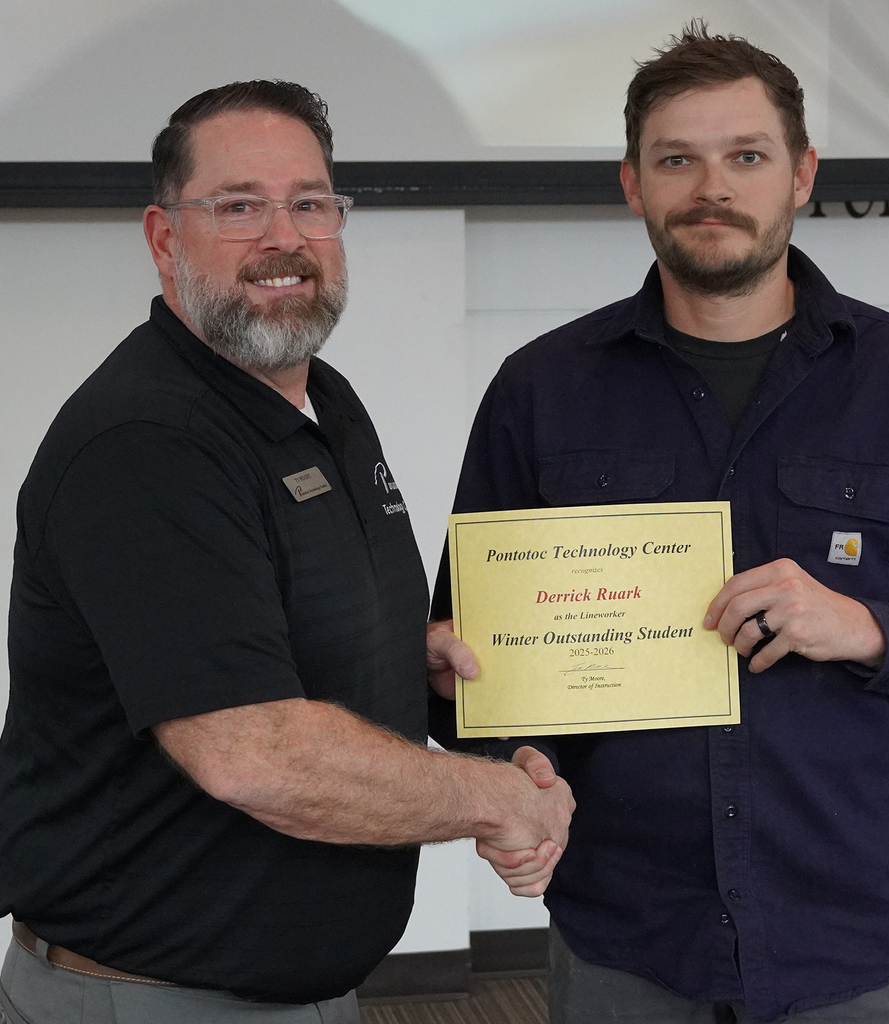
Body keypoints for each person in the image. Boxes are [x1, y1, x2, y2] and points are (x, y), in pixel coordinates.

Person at [429, 24, 889, 1024]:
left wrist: (870, 627)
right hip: (626, 933)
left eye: (745, 156)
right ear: (633, 184)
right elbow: (470, 668)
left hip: (844, 936)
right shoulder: (539, 389)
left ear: (801, 174)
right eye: (677, 159)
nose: (712, 187)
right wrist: (499, 752)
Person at [0, 80, 573, 1024]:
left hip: (291, 989)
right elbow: (253, 754)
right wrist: (498, 799)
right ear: (162, 237)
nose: (284, 237)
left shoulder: (322, 403)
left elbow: (264, 622)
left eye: (311, 203)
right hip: (151, 998)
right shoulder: (147, 443)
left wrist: (396, 655)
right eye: (239, 207)